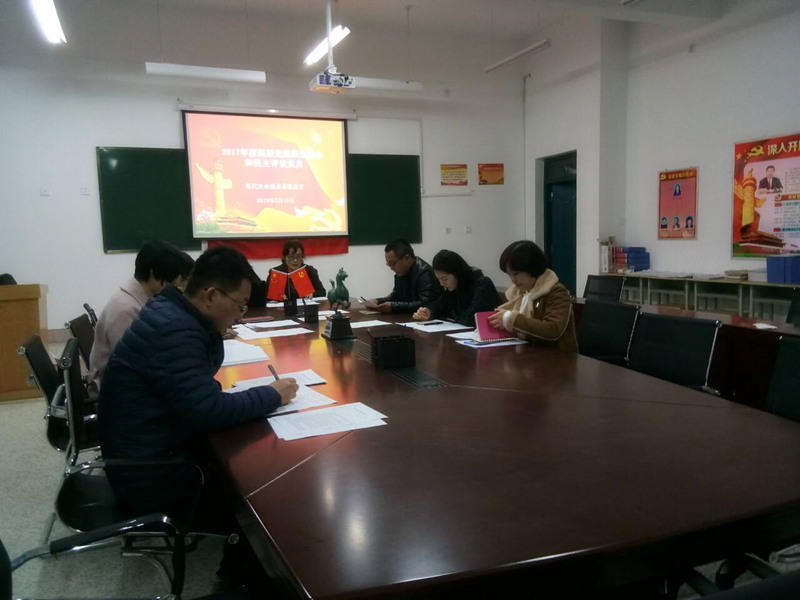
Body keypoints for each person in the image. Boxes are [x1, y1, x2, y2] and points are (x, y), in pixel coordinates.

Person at [99, 245, 299, 592]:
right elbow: (208, 411)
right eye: (239, 305)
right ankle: (241, 583)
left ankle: (239, 568)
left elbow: (196, 394)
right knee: (266, 493)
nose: (239, 316)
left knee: (253, 457)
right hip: (152, 475)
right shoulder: (175, 330)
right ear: (210, 295)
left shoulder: (172, 312)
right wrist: (272, 395)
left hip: (154, 449)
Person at [88, 240, 195, 395]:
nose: (172, 285)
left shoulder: (140, 299)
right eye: (169, 278)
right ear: (153, 273)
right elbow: (134, 365)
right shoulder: (126, 309)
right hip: (114, 394)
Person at [487, 240, 577, 352]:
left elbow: (553, 330)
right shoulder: (520, 293)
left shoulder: (556, 292)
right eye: (509, 275)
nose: (513, 280)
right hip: (529, 354)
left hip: (558, 356)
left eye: (516, 273)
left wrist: (512, 320)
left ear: (531, 268)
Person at [412, 249, 497, 326]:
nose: (441, 284)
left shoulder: (482, 284)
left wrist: (453, 317)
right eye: (438, 279)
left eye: (444, 279)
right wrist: (428, 312)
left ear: (457, 273)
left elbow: (470, 319)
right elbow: (439, 305)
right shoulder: (453, 288)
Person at [367, 239, 441, 314]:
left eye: (393, 263)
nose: (391, 268)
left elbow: (426, 304)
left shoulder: (424, 272)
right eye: (389, 264)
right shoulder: (401, 272)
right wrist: (377, 301)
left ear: (407, 258)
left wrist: (394, 307)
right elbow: (396, 296)